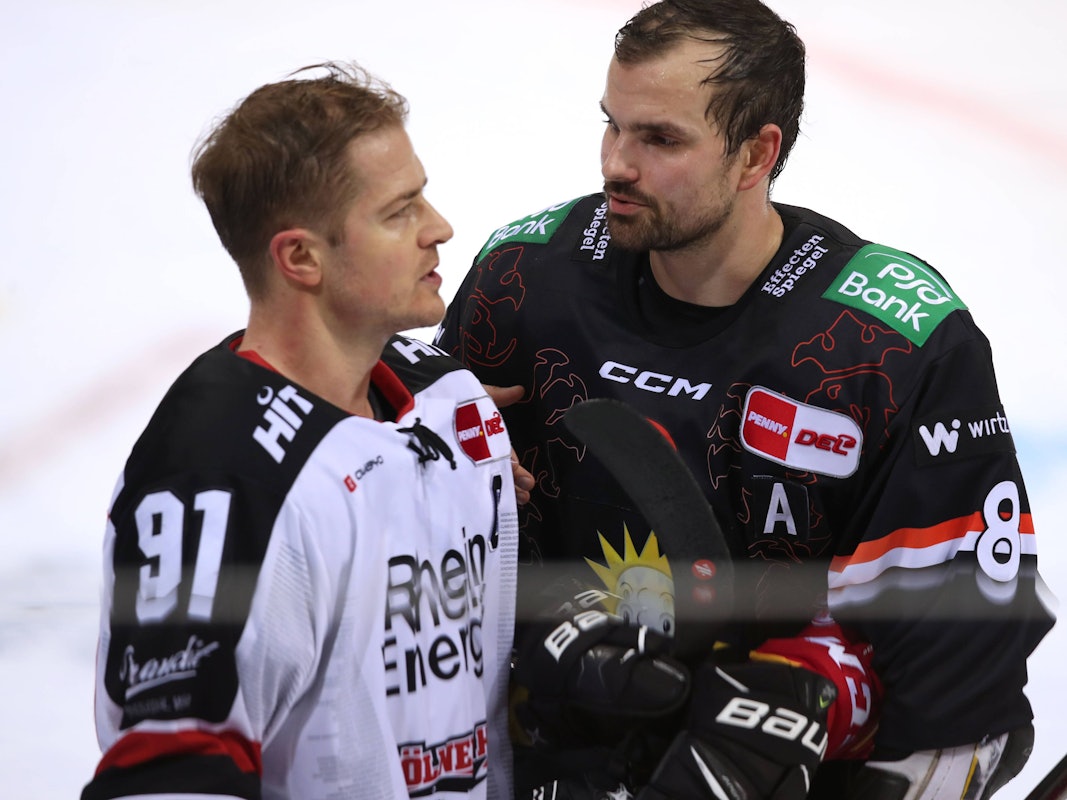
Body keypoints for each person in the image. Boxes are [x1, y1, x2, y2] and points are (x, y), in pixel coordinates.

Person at [435, 1, 1056, 798]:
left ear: (756, 154)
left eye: (659, 139)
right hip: (557, 732)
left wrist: (800, 704)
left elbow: (964, 665)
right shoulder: (522, 277)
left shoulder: (886, 341)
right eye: (611, 125)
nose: (615, 164)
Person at [81, 62, 520, 800]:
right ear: (301, 257)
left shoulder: (446, 398)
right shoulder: (215, 475)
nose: (438, 228)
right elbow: (169, 773)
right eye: (399, 211)